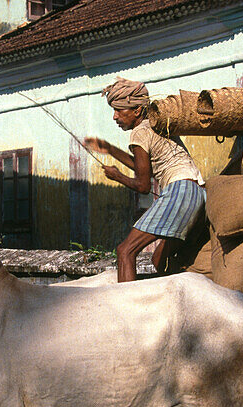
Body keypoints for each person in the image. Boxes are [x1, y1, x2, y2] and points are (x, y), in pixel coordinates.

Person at [84, 77, 205, 282]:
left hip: (179, 192)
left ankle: (129, 311)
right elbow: (145, 167)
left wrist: (118, 177)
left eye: (119, 110)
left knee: (125, 251)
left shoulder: (139, 133)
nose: (115, 117)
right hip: (197, 194)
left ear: (137, 111)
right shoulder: (156, 124)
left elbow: (143, 185)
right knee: (159, 259)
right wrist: (110, 149)